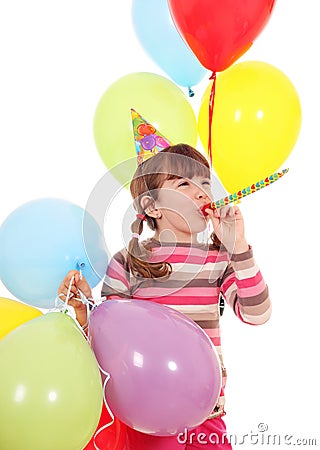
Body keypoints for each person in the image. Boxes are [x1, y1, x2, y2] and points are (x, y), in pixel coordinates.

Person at [58, 143, 271, 449]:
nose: (201, 192)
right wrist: (83, 312)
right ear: (153, 207)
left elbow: (257, 314)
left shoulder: (219, 259)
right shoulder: (129, 262)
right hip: (149, 409)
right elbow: (107, 342)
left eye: (205, 183)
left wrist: (238, 247)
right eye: (184, 183)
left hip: (206, 407)